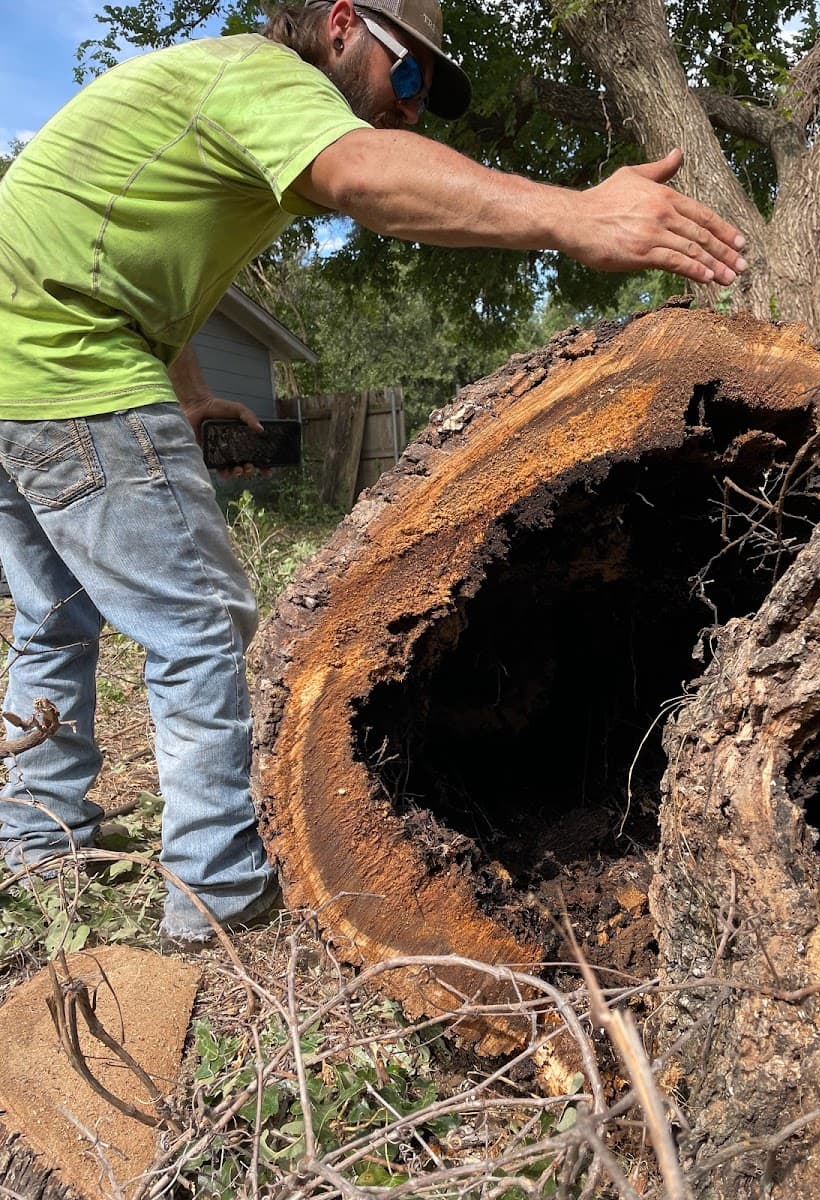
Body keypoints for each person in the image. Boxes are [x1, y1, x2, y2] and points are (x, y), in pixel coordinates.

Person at [0, 0, 747, 946]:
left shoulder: (204, 96)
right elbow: (364, 175)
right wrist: (574, 213)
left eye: (428, 93)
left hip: (16, 367)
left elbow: (145, 270)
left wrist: (187, 393)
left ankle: (39, 840)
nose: (414, 107)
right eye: (408, 75)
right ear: (343, 24)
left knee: (55, 618)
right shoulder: (261, 74)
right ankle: (217, 896)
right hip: (73, 362)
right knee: (200, 622)